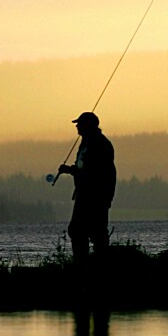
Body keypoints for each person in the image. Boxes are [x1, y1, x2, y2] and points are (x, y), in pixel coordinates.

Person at [58, 112, 116, 266]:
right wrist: (72, 170)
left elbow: (93, 171)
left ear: (88, 125)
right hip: (85, 194)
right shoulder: (87, 143)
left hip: (96, 195)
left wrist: (70, 170)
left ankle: (91, 265)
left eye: (80, 124)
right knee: (79, 231)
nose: (77, 126)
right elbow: (84, 167)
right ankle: (86, 264)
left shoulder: (99, 144)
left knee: (92, 232)